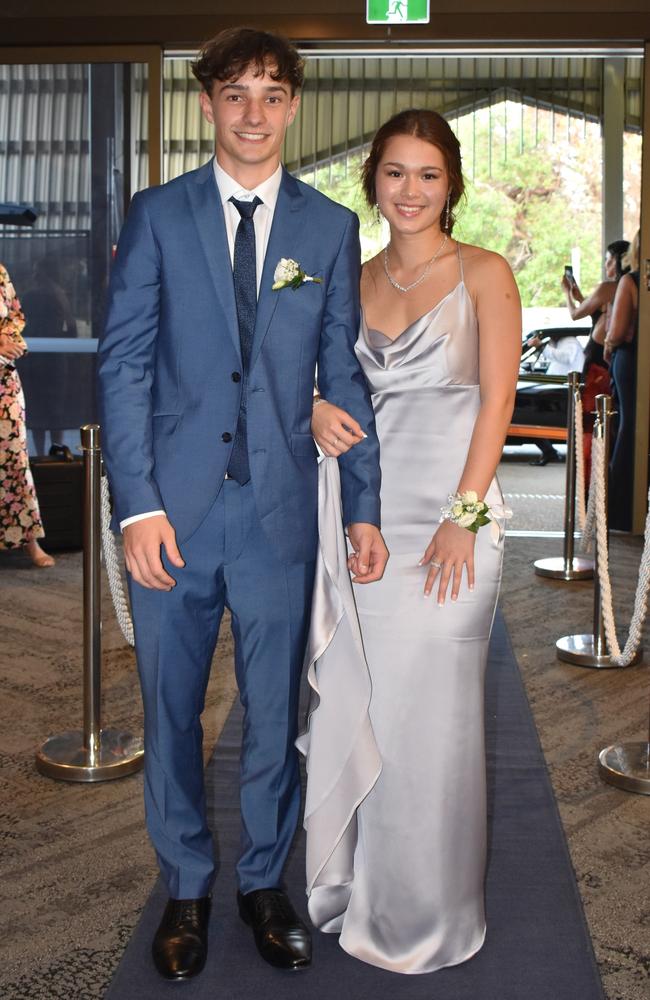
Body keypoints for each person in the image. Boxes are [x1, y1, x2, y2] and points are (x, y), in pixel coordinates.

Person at [97, 27, 387, 982]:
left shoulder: (329, 229)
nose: (253, 113)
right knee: (169, 709)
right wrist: (136, 506)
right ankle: (186, 883)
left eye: (271, 94)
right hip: (171, 519)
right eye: (235, 94)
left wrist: (362, 507)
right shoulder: (158, 215)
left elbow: (338, 373)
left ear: (294, 107)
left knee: (273, 715)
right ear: (208, 106)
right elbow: (126, 363)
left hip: (276, 519)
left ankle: (265, 884)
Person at [304, 109, 521, 973]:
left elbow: (498, 404)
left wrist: (464, 518)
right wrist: (314, 407)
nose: (411, 190)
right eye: (395, 173)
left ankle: (429, 910)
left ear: (452, 184)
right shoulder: (348, 281)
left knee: (433, 715)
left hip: (453, 519)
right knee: (367, 699)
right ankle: (359, 887)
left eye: (428, 174)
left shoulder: (486, 274)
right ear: (373, 181)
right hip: (364, 519)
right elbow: (323, 385)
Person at [0, 263, 55, 567]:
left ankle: (29, 540)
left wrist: (6, 338)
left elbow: (15, 316)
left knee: (16, 458)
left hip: (3, 380)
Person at [578, 240, 629, 486]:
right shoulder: (622, 288)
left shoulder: (612, 287)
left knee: (592, 425)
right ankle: (603, 481)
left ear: (621, 260)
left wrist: (568, 293)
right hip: (609, 363)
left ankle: (591, 483)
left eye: (610, 259)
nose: (607, 264)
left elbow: (576, 312)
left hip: (598, 363)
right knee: (611, 425)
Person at [604, 230, 640, 531]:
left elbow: (615, 333)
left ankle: (622, 507)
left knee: (628, 427)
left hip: (630, 359)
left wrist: (609, 343)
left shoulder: (631, 281)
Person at [524, 329, 585, 464]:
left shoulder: (570, 343)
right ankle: (549, 452)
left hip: (564, 391)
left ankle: (551, 452)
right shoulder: (563, 343)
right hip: (558, 390)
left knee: (533, 420)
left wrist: (541, 346)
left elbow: (564, 357)